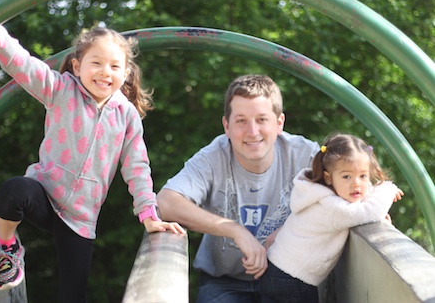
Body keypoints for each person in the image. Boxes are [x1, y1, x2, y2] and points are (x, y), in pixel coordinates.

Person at [0, 0, 185, 302]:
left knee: (73, 295)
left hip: (80, 219)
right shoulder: (60, 90)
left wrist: (149, 215)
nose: (104, 72)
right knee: (13, 190)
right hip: (43, 196)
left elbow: (137, 167)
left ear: (126, 73)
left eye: (114, 66)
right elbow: (19, 63)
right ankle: (7, 247)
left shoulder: (125, 116)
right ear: (77, 66)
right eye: (96, 63)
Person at [157, 74, 320, 302]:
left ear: (279, 123)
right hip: (225, 282)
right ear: (227, 125)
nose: (252, 132)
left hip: (288, 277)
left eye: (262, 119)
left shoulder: (304, 154)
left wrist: (289, 229)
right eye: (241, 121)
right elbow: (165, 202)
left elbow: (349, 181)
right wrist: (235, 230)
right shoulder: (213, 157)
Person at [259, 133, 404, 303]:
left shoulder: (317, 193)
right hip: (292, 278)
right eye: (346, 176)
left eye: (363, 176)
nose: (356, 183)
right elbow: (369, 211)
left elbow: (360, 198)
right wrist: (388, 188)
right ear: (329, 178)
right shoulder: (331, 207)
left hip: (278, 268)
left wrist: (370, 191)